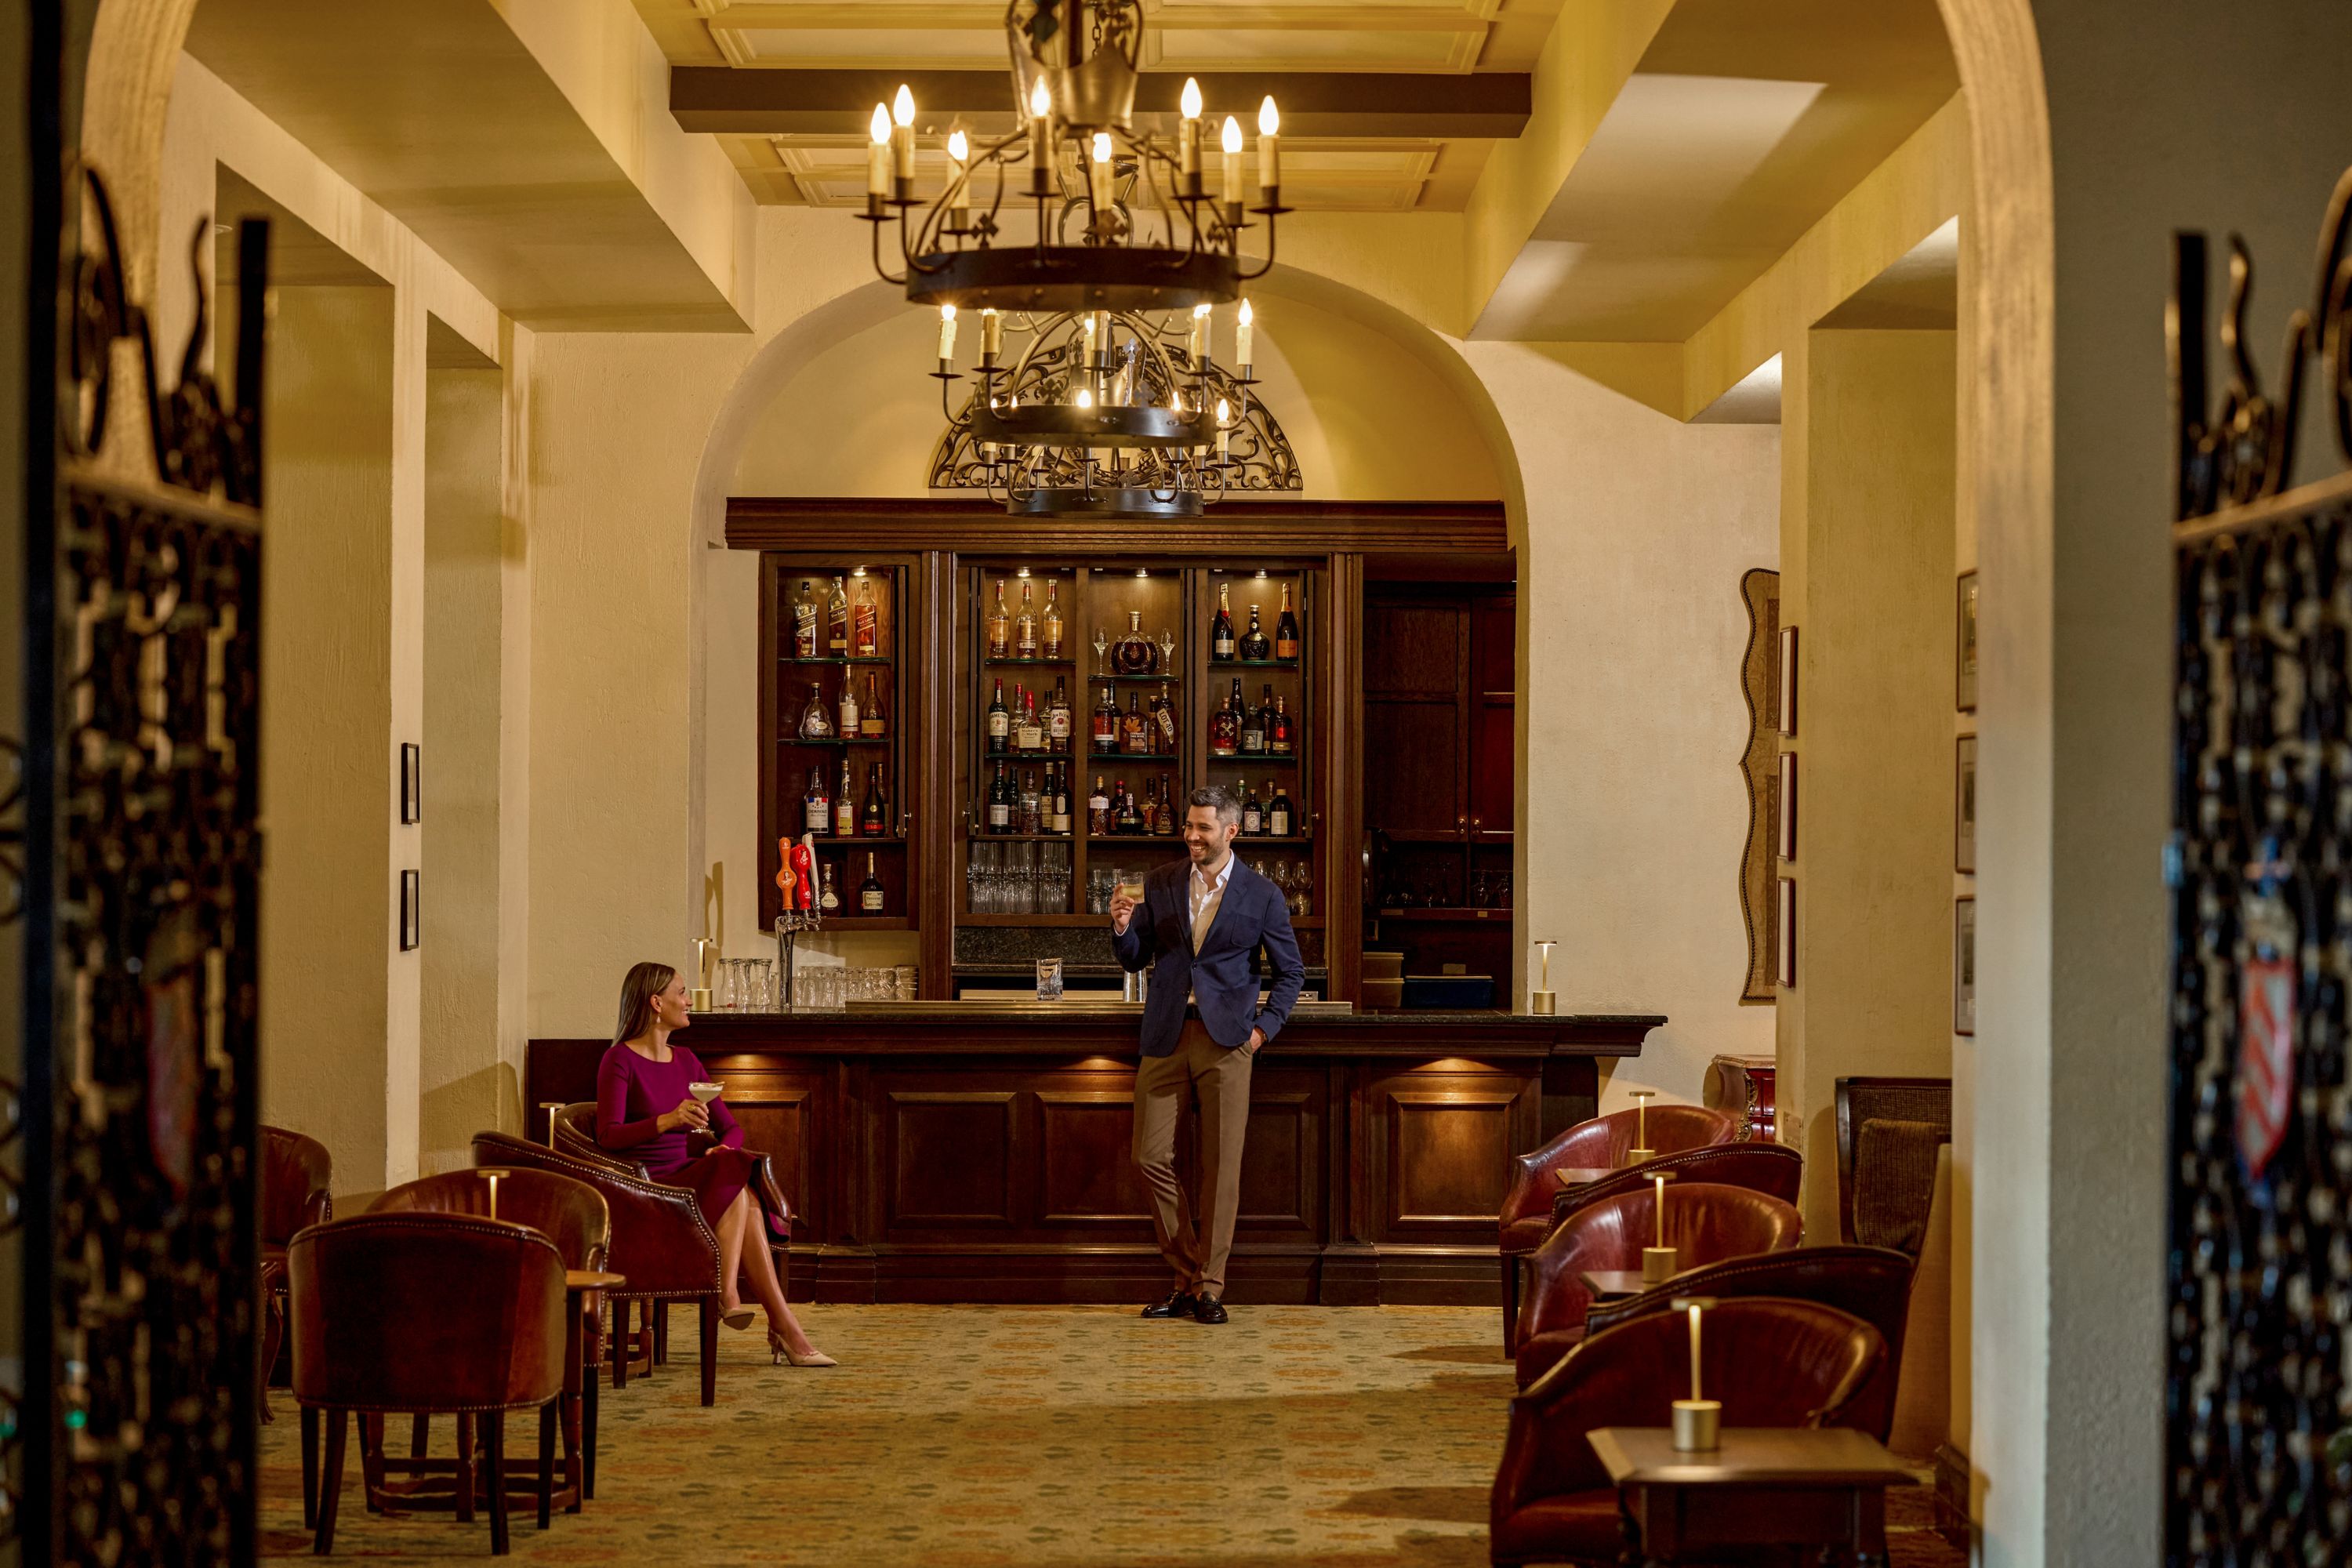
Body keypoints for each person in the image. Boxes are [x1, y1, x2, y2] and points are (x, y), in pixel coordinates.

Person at [1110, 785, 1305, 1324]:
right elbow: (1135, 958)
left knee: (1222, 1169)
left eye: (1203, 828)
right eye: (1189, 826)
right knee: (1148, 1157)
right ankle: (1188, 1275)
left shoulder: (1262, 894)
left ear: (1231, 832)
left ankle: (1209, 1289)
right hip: (1166, 1036)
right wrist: (1122, 926)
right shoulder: (1161, 881)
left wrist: (1261, 1032)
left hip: (1228, 1043)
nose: (1192, 836)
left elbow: (1291, 973)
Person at [597, 961, 834, 1367]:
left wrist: (722, 1150)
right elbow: (608, 1135)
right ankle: (764, 1316)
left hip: (687, 1179)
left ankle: (753, 1309)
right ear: (656, 1003)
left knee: (737, 1175)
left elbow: (732, 1129)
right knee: (745, 1195)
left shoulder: (687, 1060)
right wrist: (666, 1121)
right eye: (682, 992)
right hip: (647, 1188)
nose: (689, 1001)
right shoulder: (618, 1060)